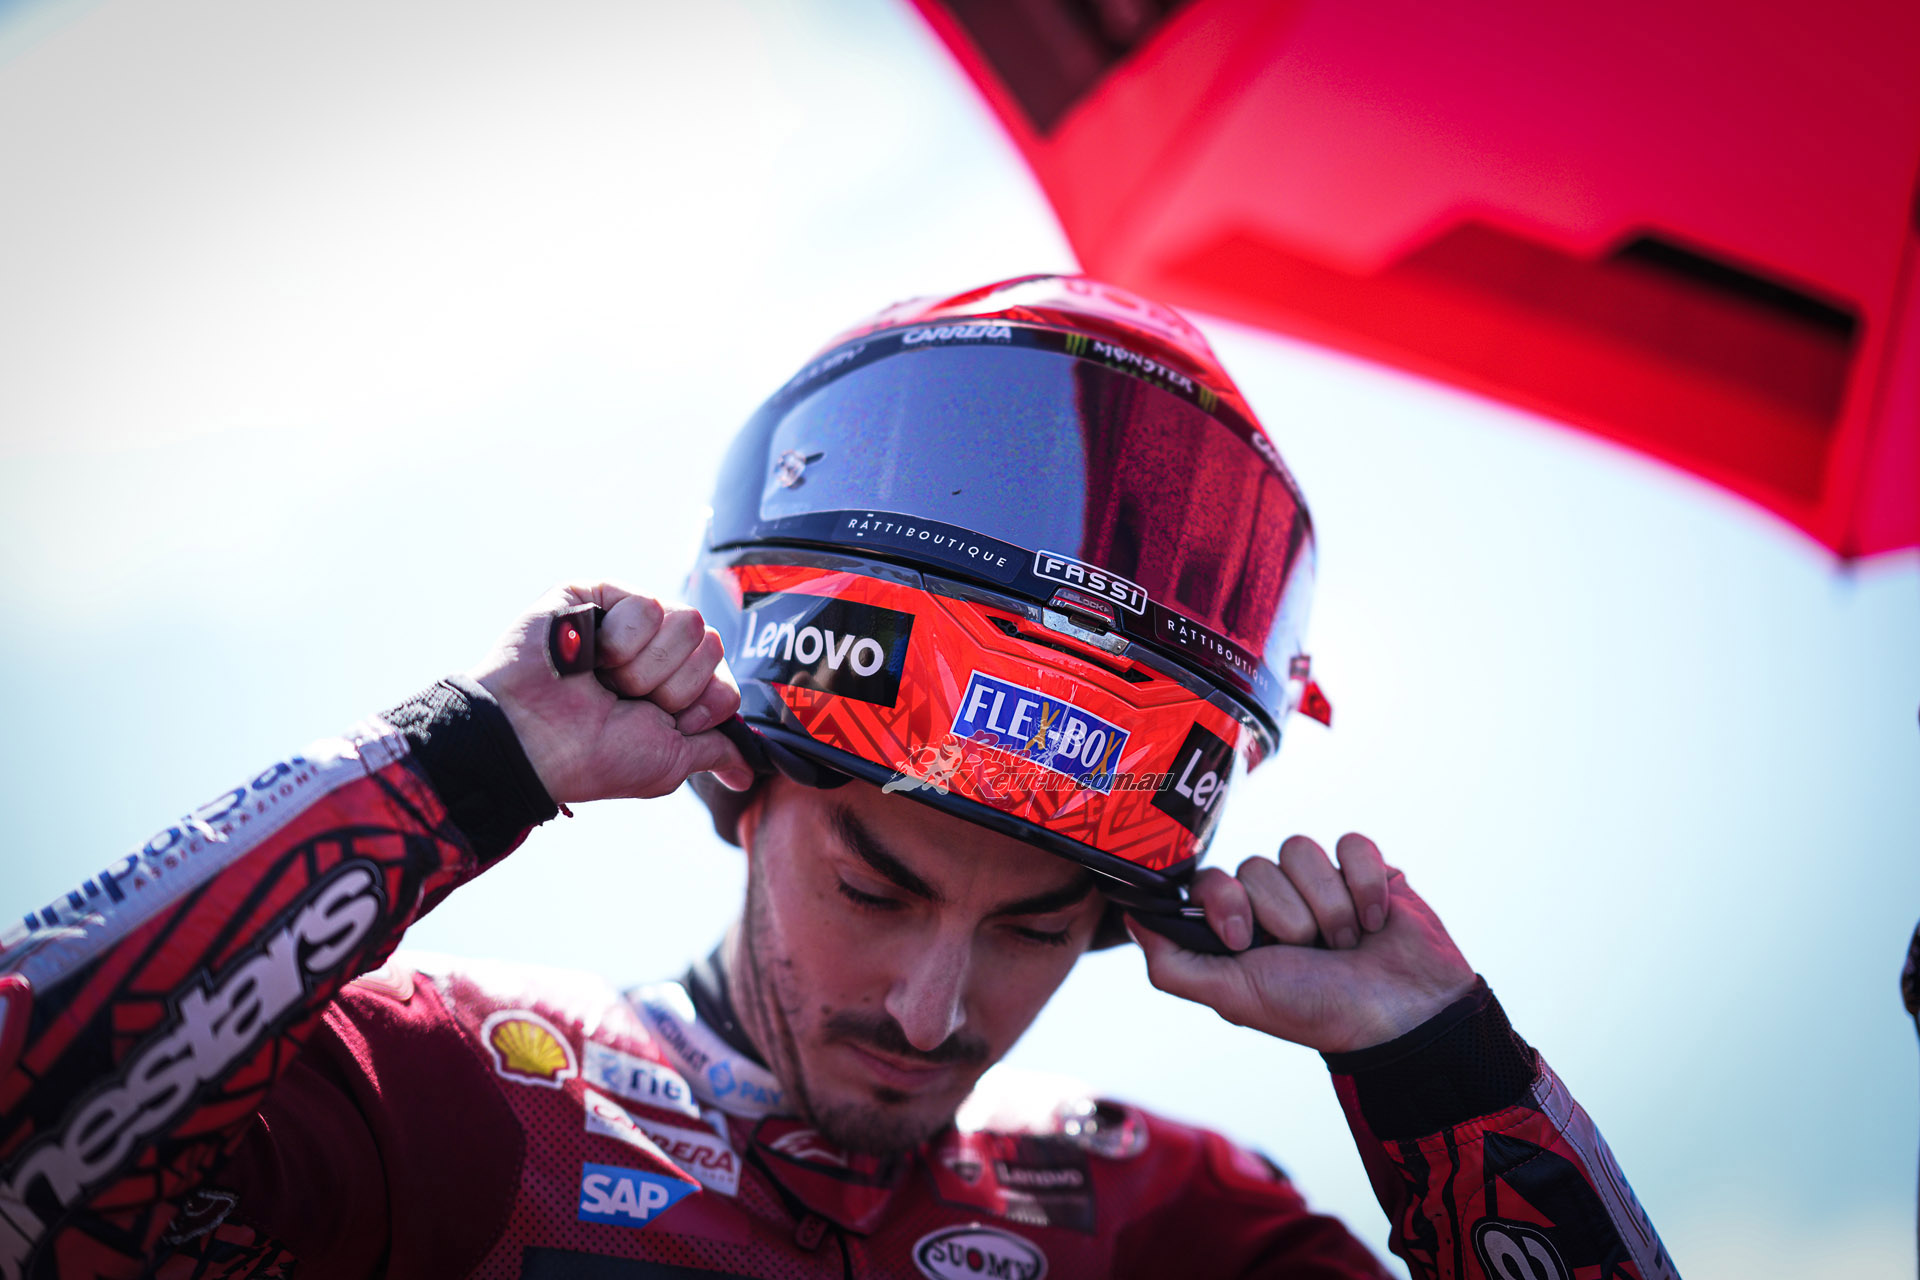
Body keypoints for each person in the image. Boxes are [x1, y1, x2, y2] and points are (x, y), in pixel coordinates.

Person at [0, 276, 1677, 1279]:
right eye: (875, 885)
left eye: (1036, 926)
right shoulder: (456, 1093)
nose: (936, 1011)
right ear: (740, 787)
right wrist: (461, 762)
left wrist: (1443, 1076)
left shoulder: (1159, 1216)